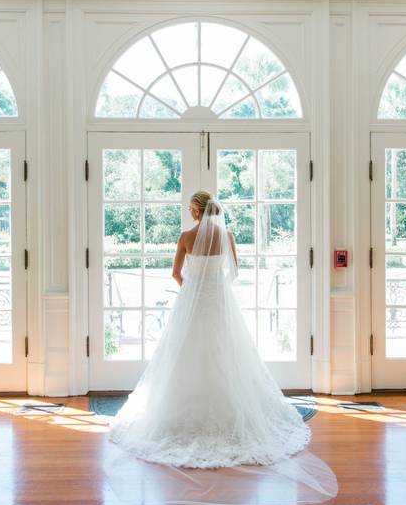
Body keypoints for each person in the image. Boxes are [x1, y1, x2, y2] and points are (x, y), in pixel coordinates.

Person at [108, 191, 311, 469]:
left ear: (194, 211)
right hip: (219, 302)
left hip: (192, 303)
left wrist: (192, 291)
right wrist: (217, 289)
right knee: (227, 355)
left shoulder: (185, 237)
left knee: (185, 356)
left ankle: (181, 417)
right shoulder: (227, 236)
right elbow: (235, 272)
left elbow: (175, 273)